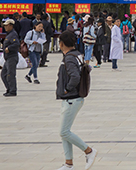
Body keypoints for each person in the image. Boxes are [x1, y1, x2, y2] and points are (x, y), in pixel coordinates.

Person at [55, 31, 97, 170]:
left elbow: (75, 77)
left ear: (61, 43)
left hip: (71, 99)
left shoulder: (69, 58)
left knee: (64, 132)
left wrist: (67, 89)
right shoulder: (77, 54)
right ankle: (68, 163)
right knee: (65, 132)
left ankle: (89, 151)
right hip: (73, 98)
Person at [0, 19, 20, 97]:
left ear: (11, 26)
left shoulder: (13, 34)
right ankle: (9, 88)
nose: (5, 27)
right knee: (3, 74)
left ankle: (12, 91)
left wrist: (9, 48)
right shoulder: (9, 34)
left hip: (12, 57)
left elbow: (16, 44)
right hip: (8, 58)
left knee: (10, 74)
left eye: (6, 25)